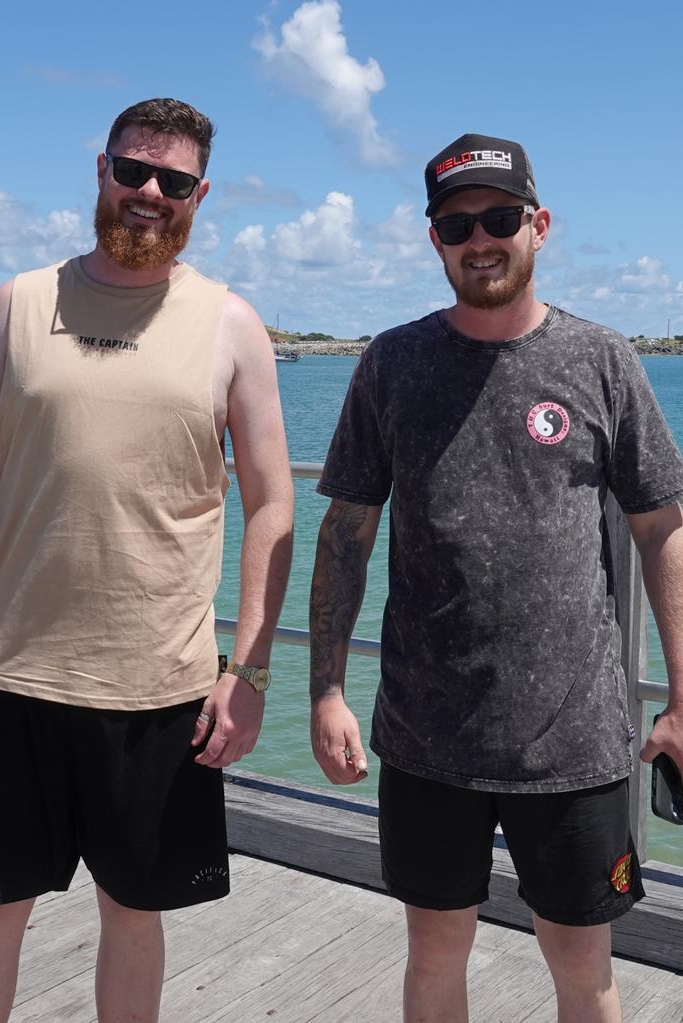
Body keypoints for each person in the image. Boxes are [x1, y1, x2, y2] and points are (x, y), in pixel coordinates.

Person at [0, 97, 294, 1023]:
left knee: (134, 915)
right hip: (13, 674)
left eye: (173, 180)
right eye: (133, 171)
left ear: (201, 194)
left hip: (159, 692)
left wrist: (247, 671)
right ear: (101, 172)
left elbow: (273, 503)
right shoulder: (19, 304)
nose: (150, 193)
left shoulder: (233, 325)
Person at [309, 132, 683, 1023]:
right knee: (435, 956)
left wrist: (681, 696)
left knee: (582, 966)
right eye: (456, 224)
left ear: (539, 225)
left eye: (500, 218)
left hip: (577, 744)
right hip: (427, 741)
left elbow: (663, 527)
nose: (480, 238)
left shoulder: (603, 360)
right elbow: (346, 531)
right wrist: (324, 687)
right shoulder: (391, 363)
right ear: (434, 238)